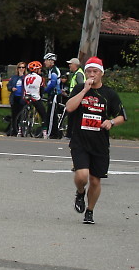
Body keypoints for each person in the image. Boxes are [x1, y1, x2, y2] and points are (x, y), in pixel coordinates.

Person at [65, 56, 126, 225]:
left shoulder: (109, 94)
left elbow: (122, 116)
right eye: (89, 71)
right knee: (82, 175)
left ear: (101, 73)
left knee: (95, 180)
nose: (92, 74)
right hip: (80, 140)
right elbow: (69, 107)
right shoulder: (80, 88)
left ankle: (90, 211)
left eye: (95, 71)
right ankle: (80, 192)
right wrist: (84, 91)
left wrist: (111, 122)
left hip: (99, 143)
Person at [21, 61, 47, 136]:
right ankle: (44, 131)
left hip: (26, 96)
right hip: (35, 98)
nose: (40, 70)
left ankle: (20, 128)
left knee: (23, 111)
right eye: (39, 69)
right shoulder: (40, 78)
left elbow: (23, 87)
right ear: (36, 69)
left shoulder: (26, 77)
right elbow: (41, 89)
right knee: (44, 114)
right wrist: (42, 96)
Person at [43, 53, 61, 137]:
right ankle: (53, 133)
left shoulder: (54, 70)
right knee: (51, 114)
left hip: (55, 94)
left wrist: (45, 90)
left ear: (51, 61)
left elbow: (53, 83)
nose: (45, 62)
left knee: (51, 115)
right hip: (52, 94)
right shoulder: (51, 70)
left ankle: (52, 133)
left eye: (46, 60)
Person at [6, 62, 26, 136]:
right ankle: (13, 130)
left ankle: (21, 130)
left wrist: (22, 76)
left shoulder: (26, 77)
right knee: (14, 114)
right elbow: (9, 85)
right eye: (19, 67)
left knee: (21, 115)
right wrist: (11, 88)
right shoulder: (14, 77)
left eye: (23, 67)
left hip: (22, 97)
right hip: (15, 97)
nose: (21, 69)